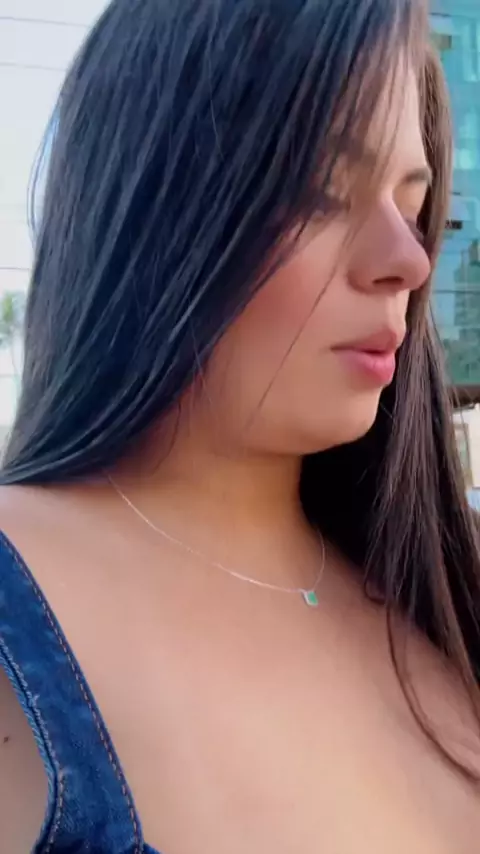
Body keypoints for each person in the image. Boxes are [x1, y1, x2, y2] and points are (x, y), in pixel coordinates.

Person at [0, 0, 479, 851]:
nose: (407, 261)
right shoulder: (20, 607)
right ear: (150, 202)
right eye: (323, 191)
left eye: (414, 209)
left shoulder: (442, 588)